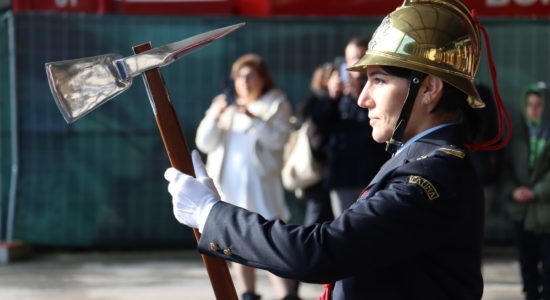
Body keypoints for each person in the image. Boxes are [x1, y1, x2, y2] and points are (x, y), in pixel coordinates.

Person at [165, 0, 510, 298]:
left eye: (379, 80)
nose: (363, 98)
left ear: (431, 88)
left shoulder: (431, 176)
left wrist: (210, 214)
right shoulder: (424, 161)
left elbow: (319, 253)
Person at [194, 53, 298, 300]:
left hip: (262, 186)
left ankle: (288, 295)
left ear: (263, 79)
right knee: (235, 241)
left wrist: (252, 117)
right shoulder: (223, 103)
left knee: (271, 241)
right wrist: (215, 115)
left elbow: (277, 140)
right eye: (239, 76)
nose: (245, 81)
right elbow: (204, 142)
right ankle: (248, 294)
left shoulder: (276, 102)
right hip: (228, 186)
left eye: (251, 75)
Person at [309, 37, 390, 217]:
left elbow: (381, 128)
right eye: (353, 58)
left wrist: (357, 96)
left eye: (363, 56)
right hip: (341, 174)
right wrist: (331, 97)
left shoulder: (382, 87)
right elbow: (316, 126)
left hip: (373, 173)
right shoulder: (335, 92)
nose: (358, 64)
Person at [501, 82, 550, 300]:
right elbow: (505, 167)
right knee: (527, 262)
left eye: (539, 105)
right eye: (529, 105)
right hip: (521, 210)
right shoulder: (517, 134)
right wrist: (514, 191)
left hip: (545, 212)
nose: (533, 110)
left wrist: (537, 191)